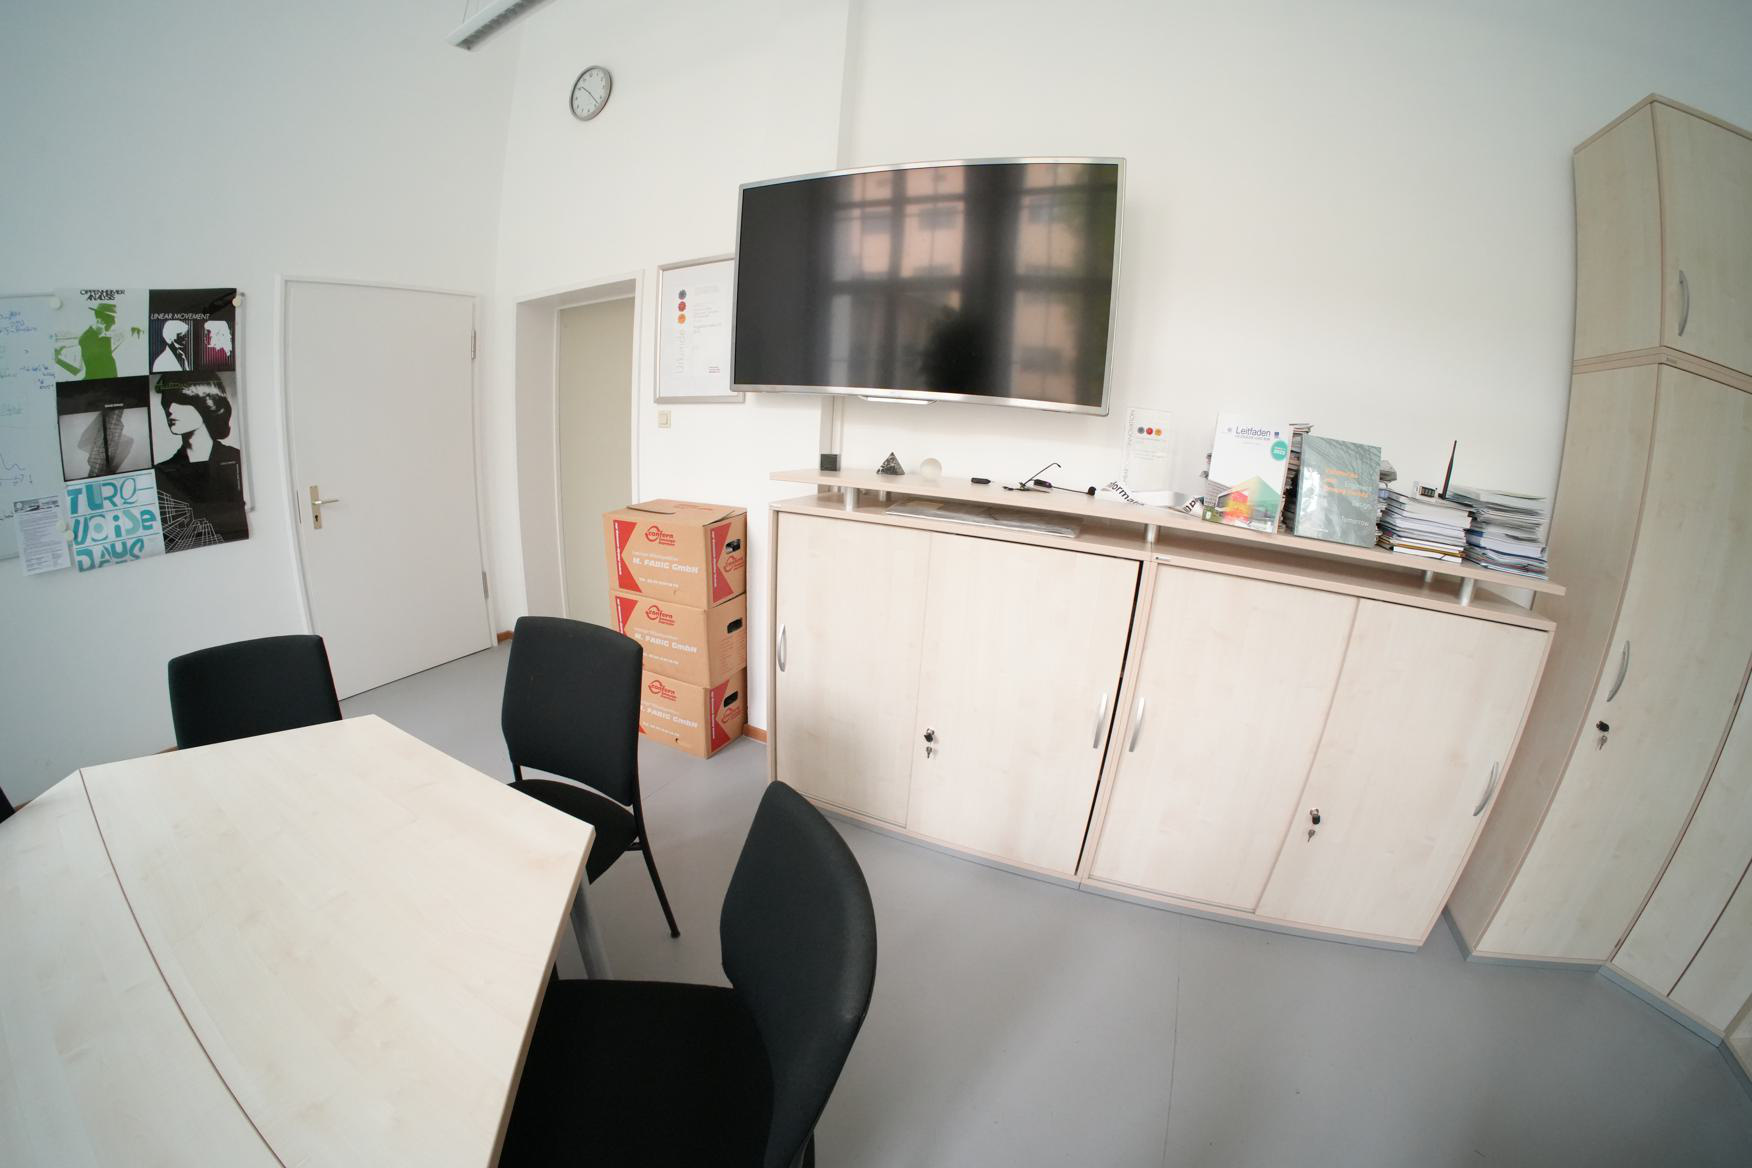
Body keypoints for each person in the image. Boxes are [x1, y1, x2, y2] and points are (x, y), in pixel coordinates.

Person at [153, 375, 247, 549]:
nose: (170, 409)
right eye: (166, 402)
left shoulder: (238, 459)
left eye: (180, 401)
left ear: (206, 404)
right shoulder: (161, 472)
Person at [54, 301, 142, 380]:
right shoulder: (87, 338)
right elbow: (98, 367)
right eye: (112, 318)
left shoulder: (100, 336)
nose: (114, 322)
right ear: (101, 320)